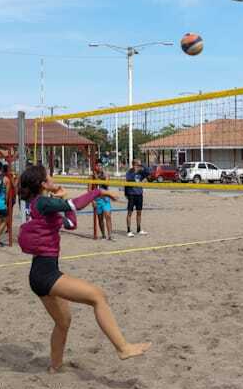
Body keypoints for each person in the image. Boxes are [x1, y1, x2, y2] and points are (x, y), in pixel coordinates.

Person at [17, 164, 150, 371]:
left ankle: (55, 367)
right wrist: (99, 191)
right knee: (98, 296)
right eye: (49, 176)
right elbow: (76, 205)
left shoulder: (43, 204)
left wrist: (62, 201)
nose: (53, 178)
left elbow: (70, 224)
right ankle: (123, 348)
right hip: (45, 273)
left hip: (41, 272)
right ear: (43, 183)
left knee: (64, 322)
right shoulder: (42, 202)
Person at [124, 159, 149, 237]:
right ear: (133, 165)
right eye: (136, 164)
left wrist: (143, 165)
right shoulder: (129, 172)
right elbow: (129, 179)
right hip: (131, 194)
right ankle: (128, 230)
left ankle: (139, 229)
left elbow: (148, 172)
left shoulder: (141, 172)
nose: (138, 166)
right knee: (130, 212)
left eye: (138, 165)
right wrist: (135, 171)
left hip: (139, 194)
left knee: (139, 212)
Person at [94, 161, 113, 240]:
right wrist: (92, 201)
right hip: (97, 199)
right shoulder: (91, 176)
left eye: (100, 165)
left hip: (105, 198)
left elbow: (107, 184)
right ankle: (103, 235)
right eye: (97, 165)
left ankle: (110, 236)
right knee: (100, 218)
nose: (99, 167)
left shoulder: (105, 174)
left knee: (108, 216)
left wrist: (100, 177)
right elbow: (89, 189)